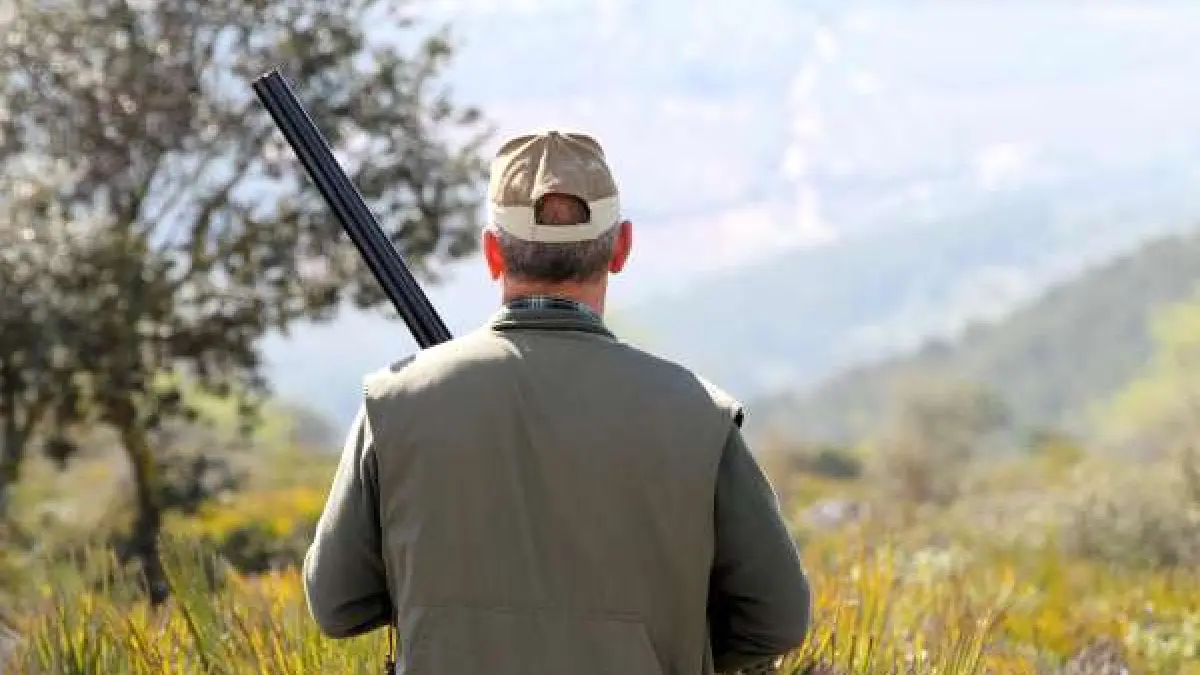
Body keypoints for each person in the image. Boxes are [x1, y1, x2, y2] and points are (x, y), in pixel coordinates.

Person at [302, 129, 812, 674]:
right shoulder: (699, 415)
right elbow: (777, 619)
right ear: (621, 248)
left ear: (492, 252)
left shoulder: (393, 404)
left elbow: (337, 604)